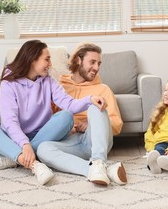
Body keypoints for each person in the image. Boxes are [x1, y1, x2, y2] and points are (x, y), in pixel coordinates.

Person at [0, 40, 107, 185]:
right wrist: (24, 144)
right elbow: (10, 122)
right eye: (47, 59)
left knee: (65, 116)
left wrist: (90, 99)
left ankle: (14, 158)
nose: (50, 63)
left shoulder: (49, 81)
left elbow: (68, 104)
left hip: (41, 138)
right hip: (14, 140)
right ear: (33, 59)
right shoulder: (8, 83)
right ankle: (28, 158)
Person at [37, 43, 126, 186]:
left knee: (94, 105)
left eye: (99, 64)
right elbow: (50, 119)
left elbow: (116, 124)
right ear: (78, 60)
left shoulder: (103, 89)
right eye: (92, 62)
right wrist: (67, 128)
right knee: (43, 149)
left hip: (95, 141)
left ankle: (98, 160)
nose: (96, 68)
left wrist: (91, 124)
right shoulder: (60, 87)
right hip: (71, 142)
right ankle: (98, 170)